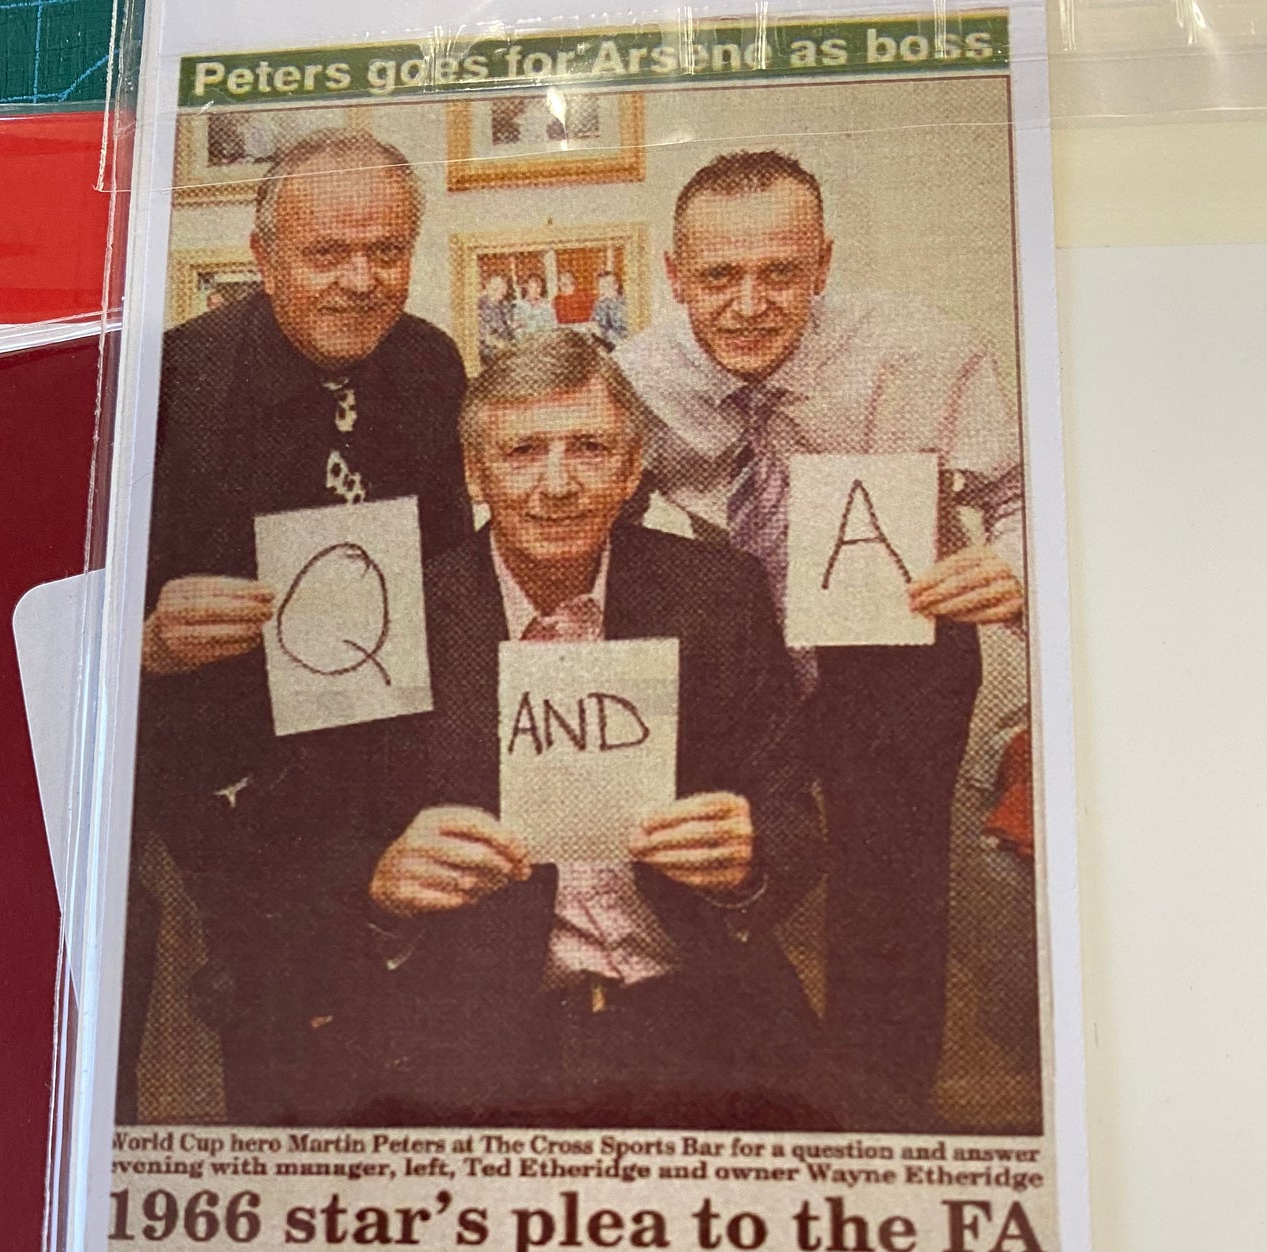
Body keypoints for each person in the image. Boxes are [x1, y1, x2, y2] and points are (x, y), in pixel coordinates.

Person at [617, 149, 1025, 1129]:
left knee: (890, 887)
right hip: (741, 642)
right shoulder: (633, 378)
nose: (749, 303)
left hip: (892, 643)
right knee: (712, 860)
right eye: (718, 277)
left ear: (822, 264)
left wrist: (1016, 560)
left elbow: (1022, 498)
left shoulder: (923, 350)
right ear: (674, 275)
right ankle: (759, 1096)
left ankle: (884, 1120)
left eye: (780, 274)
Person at [345, 332, 827, 1128]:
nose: (557, 484)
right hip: (478, 1028)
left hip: (697, 1007)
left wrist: (750, 857)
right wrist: (383, 882)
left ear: (633, 467)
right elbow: (322, 838)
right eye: (523, 451)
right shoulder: (398, 613)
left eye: (591, 448)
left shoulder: (715, 592)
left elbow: (791, 817)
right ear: (475, 473)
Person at [129, 131, 473, 1121]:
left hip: (387, 737)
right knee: (278, 1016)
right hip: (229, 763)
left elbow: (449, 568)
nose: (361, 279)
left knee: (411, 1006)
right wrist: (149, 633)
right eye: (326, 254)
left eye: (387, 250)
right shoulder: (171, 382)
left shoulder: (430, 363)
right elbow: (63, 597)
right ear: (264, 258)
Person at [477, 271, 517, 360]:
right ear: (488, 287)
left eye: (503, 287)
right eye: (496, 287)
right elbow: (483, 335)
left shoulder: (504, 305)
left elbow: (509, 327)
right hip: (489, 354)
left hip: (507, 352)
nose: (501, 290)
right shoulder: (480, 306)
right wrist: (501, 344)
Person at [511, 272, 557, 339]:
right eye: (531, 287)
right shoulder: (519, 306)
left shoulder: (547, 305)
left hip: (544, 340)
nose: (535, 291)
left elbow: (553, 325)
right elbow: (516, 327)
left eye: (538, 287)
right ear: (526, 287)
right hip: (527, 341)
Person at [590, 270, 629, 347]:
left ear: (616, 285)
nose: (603, 289)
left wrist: (603, 333)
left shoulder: (625, 303)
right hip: (605, 345)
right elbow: (595, 324)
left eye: (607, 285)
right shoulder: (600, 304)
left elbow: (625, 332)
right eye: (601, 287)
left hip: (624, 345)